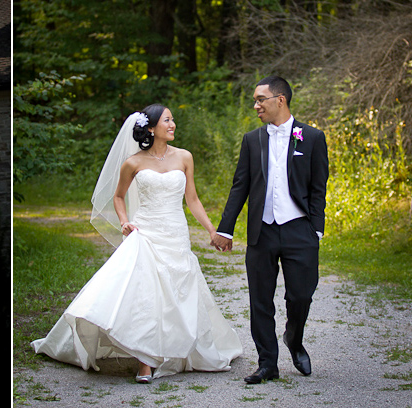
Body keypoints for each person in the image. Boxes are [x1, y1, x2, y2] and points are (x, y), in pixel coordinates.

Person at [32, 105, 242, 383]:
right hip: (146, 232)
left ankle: (177, 348)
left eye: (173, 119)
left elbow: (192, 199)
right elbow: (119, 197)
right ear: (151, 128)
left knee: (177, 292)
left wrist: (212, 230)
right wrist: (124, 222)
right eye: (168, 120)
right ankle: (145, 361)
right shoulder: (133, 162)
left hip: (176, 233)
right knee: (147, 294)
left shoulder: (185, 157)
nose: (174, 124)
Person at [211, 76, 328, 384]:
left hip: (300, 230)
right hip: (261, 232)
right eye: (254, 99)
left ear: (280, 100)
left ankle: (294, 338)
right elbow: (240, 186)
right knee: (260, 300)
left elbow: (318, 188)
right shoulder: (252, 139)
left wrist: (317, 230)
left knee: (301, 296)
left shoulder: (312, 138)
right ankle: (268, 363)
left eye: (260, 99)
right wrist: (226, 228)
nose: (255, 105)